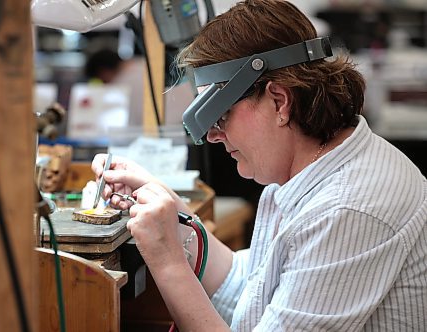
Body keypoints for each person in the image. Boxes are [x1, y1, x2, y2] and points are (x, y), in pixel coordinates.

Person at [91, 0, 427, 330]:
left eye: (220, 115)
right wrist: (171, 209)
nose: (212, 136)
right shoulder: (309, 171)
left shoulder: (347, 209)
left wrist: (167, 261)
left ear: (280, 101)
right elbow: (248, 288)